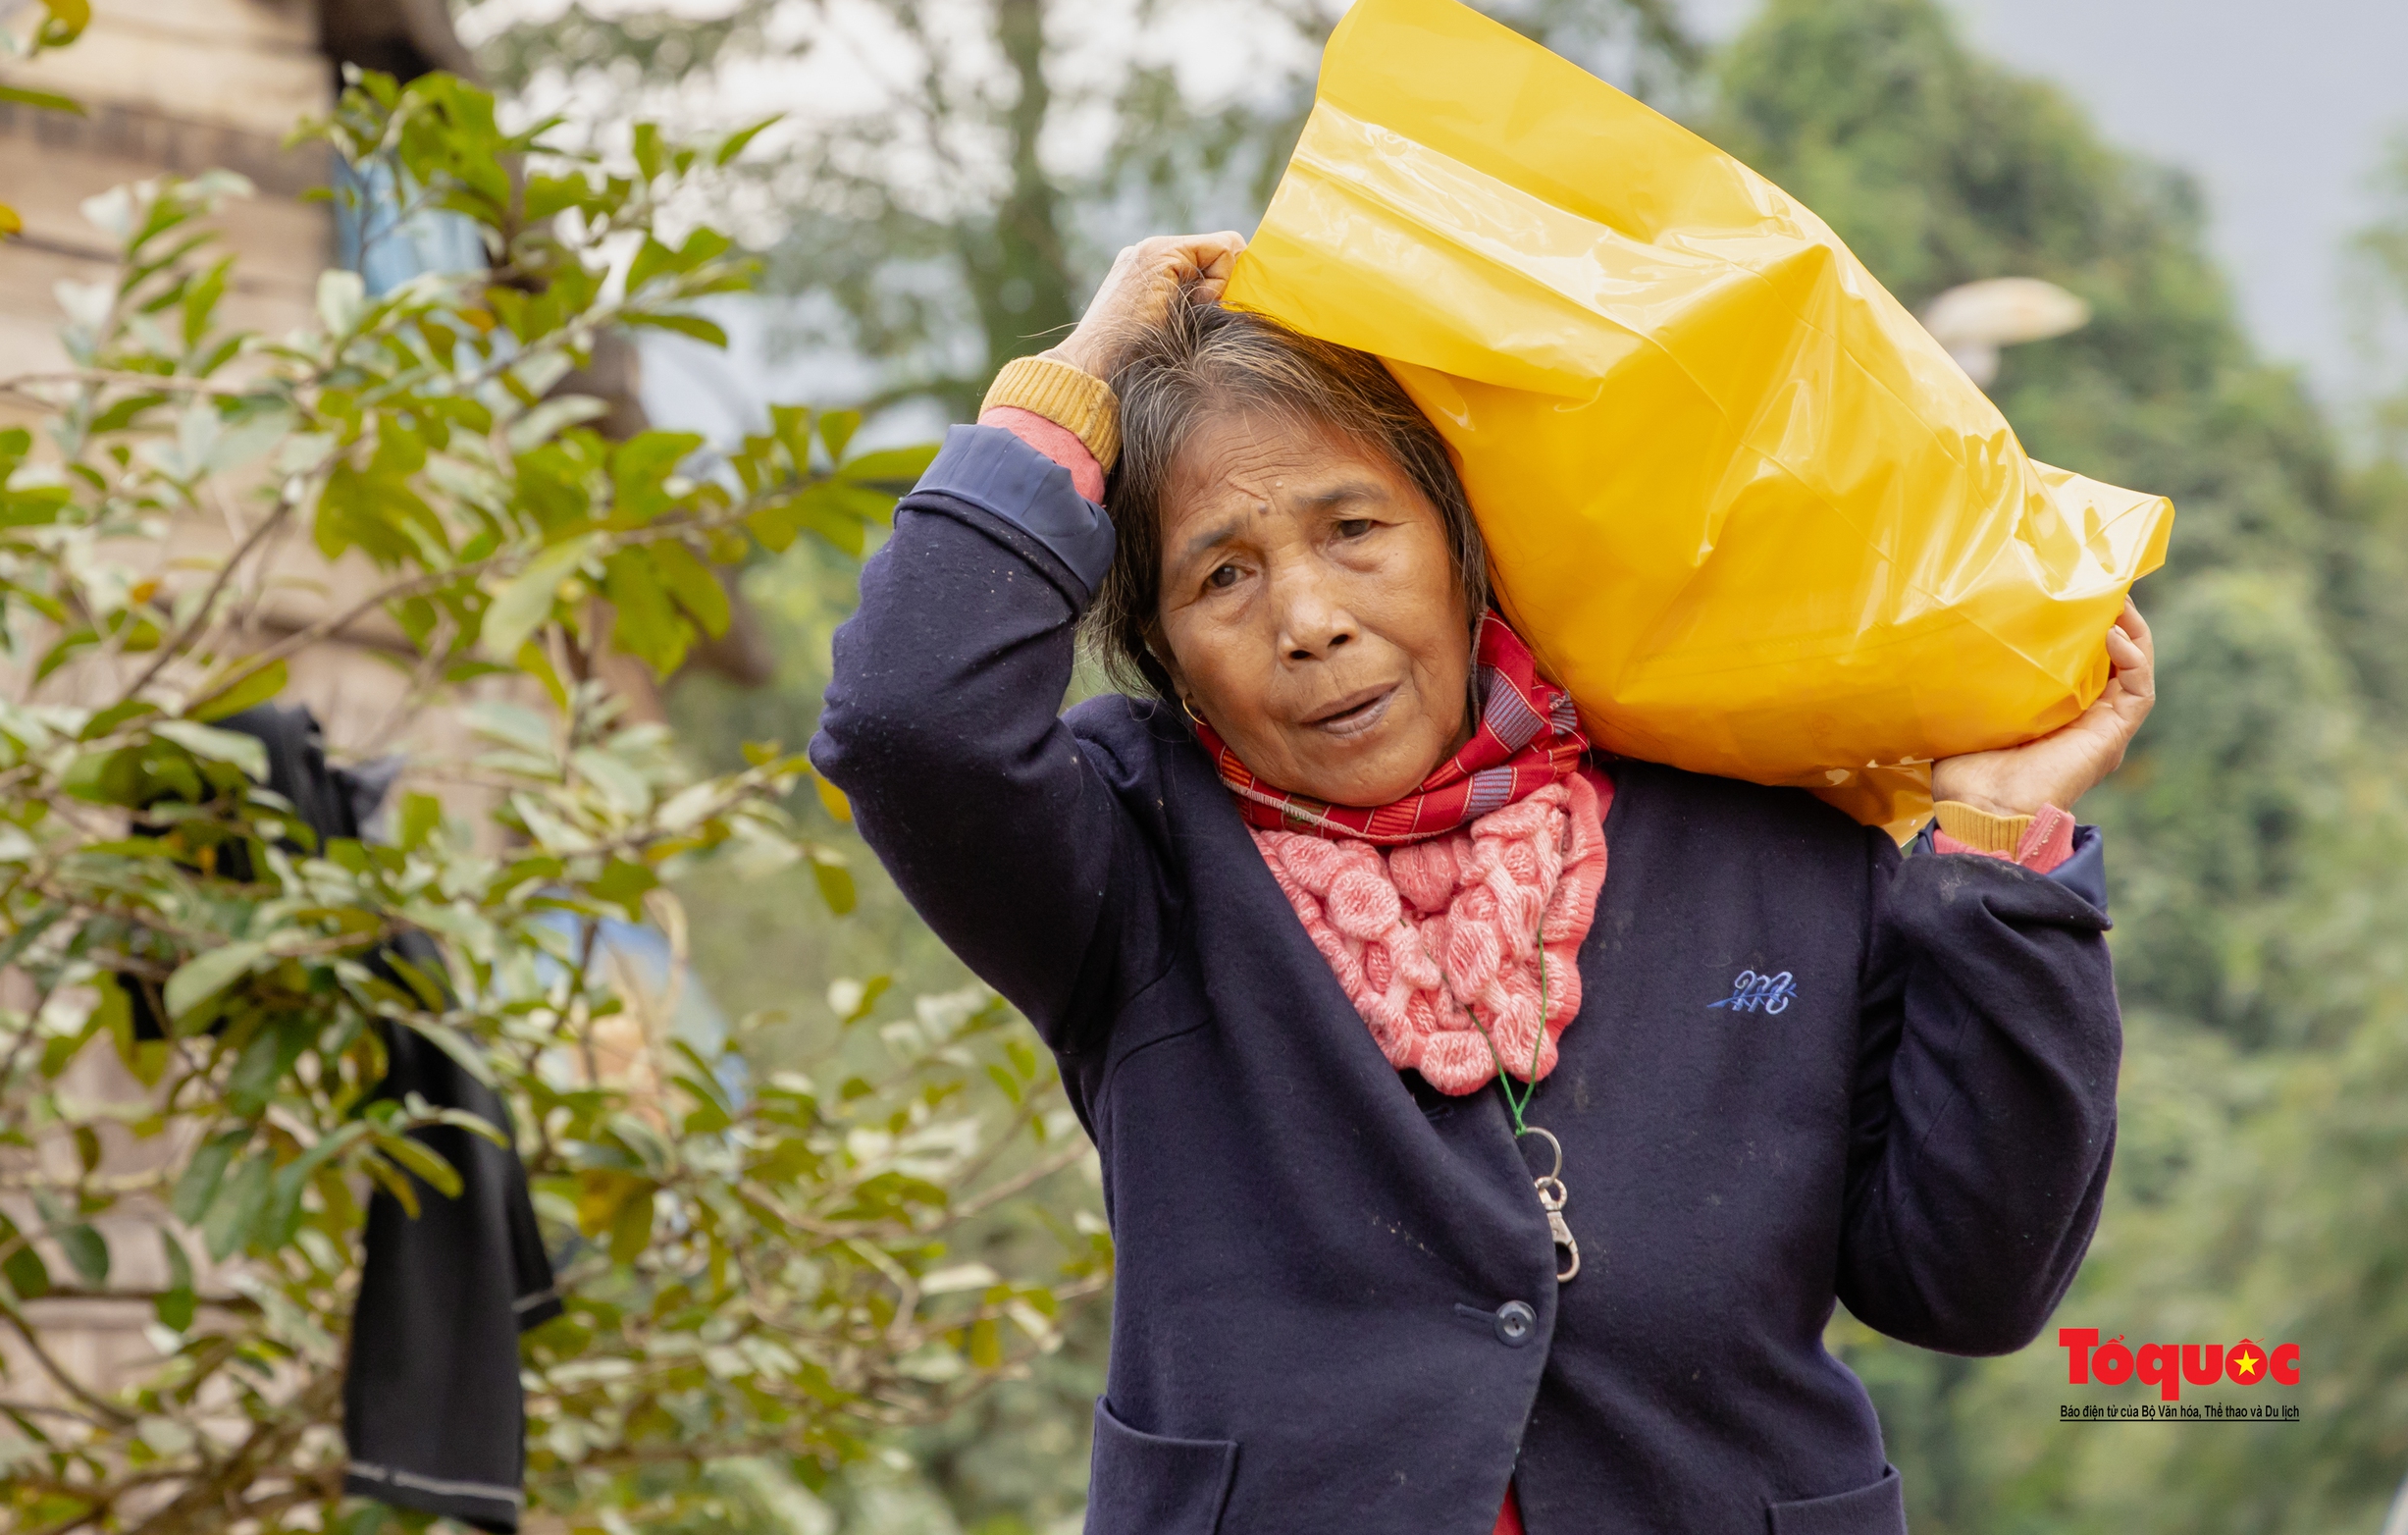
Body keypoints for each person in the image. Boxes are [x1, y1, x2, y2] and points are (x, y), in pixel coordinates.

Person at [811, 233, 2153, 1535]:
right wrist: (1083, 369)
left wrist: (1996, 848)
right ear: (1162, 649)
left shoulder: (1770, 847)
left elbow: (1968, 1283)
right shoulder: (1133, 860)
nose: (1308, 617)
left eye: (1355, 529)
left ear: (1464, 541)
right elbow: (909, 724)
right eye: (1222, 575)